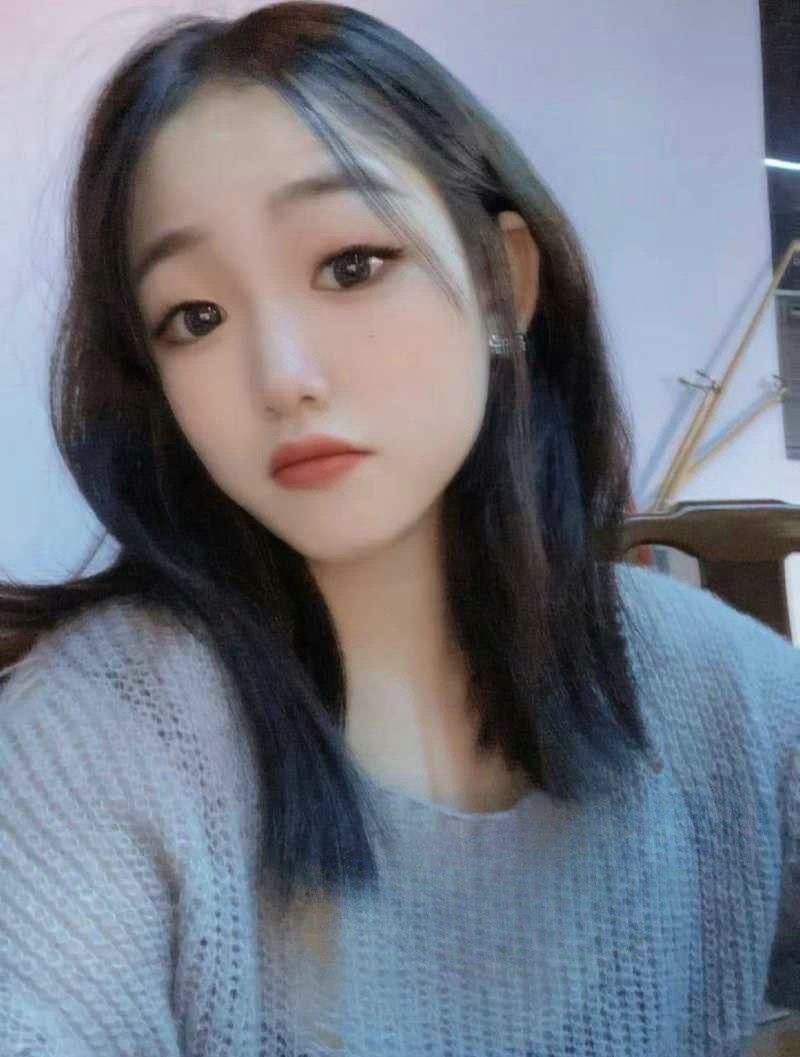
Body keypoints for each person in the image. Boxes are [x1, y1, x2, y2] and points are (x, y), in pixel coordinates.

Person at [0, 3, 796, 1054]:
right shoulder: (97, 739)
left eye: (350, 265)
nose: (282, 377)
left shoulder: (723, 689)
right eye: (195, 317)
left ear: (500, 282)